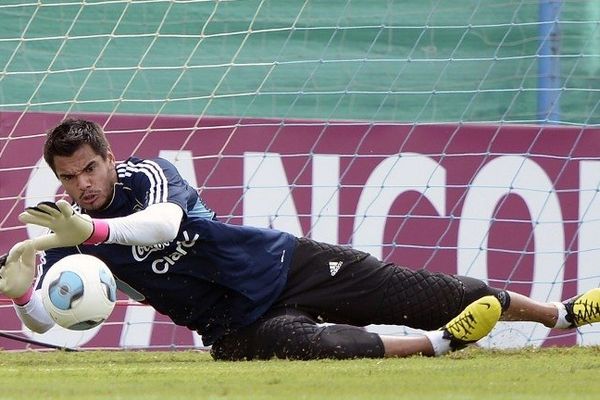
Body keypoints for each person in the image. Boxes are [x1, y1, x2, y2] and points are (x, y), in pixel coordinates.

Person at [0, 118, 599, 360]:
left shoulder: (149, 174)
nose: (81, 185)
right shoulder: (62, 231)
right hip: (234, 326)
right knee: (316, 347)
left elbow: (167, 227)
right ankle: (438, 347)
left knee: (434, 290)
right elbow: (56, 326)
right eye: (68, 178)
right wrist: (26, 297)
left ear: (108, 157)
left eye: (88, 170)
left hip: (283, 266)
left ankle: (559, 314)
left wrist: (94, 230)